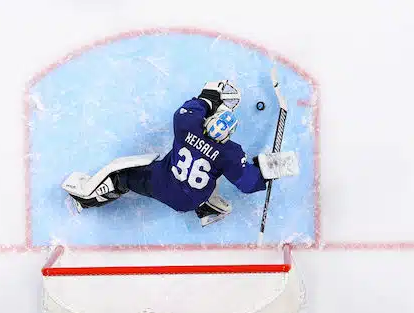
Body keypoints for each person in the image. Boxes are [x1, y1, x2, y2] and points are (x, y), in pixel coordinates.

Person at [62, 80, 298, 226]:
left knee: (123, 176)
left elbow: (187, 110)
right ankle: (206, 208)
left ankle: (88, 199)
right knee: (215, 174)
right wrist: (265, 171)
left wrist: (207, 100)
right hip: (189, 201)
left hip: (162, 184)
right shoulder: (230, 153)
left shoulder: (187, 126)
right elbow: (247, 183)